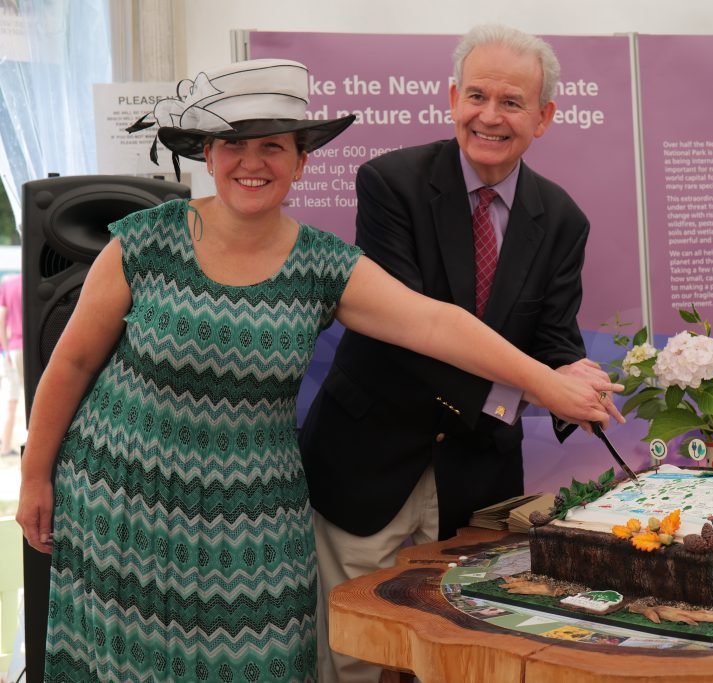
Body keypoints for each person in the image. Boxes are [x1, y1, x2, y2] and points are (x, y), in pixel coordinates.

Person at [15, 58, 619, 682]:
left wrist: (548, 382)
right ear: (209, 155)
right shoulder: (143, 244)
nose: (253, 162)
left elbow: (437, 324)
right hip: (121, 509)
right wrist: (35, 476)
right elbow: (75, 362)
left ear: (301, 161)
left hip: (256, 525)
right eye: (234, 145)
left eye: (273, 146)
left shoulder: (324, 266)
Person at [299, 24, 624, 683]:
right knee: (352, 657)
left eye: (512, 101)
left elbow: (554, 337)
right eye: (476, 95)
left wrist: (575, 381)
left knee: (469, 652)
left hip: (477, 474)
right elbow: (411, 333)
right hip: (368, 462)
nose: (490, 116)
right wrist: (532, 387)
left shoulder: (562, 219)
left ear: (544, 116)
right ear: (451, 99)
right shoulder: (389, 184)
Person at [0, 272, 22, 456]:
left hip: (11, 349)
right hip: (29, 348)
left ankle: (5, 444)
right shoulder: (30, 282)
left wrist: (4, 349)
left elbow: (1, 317)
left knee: (11, 400)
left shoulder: (7, 283)